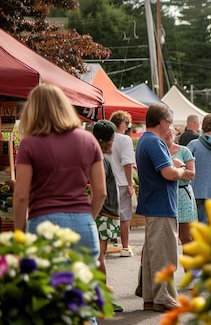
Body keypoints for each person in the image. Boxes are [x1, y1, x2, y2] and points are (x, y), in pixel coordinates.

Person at [13, 83, 106, 262]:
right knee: (80, 286)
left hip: (44, 222)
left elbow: (21, 195)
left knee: (49, 287)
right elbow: (101, 192)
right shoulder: (88, 140)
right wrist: (86, 217)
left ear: (33, 110)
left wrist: (19, 234)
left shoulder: (30, 143)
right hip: (83, 224)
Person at [135, 103, 194, 312]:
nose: (170, 126)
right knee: (164, 254)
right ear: (162, 121)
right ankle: (164, 298)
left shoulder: (145, 140)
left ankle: (152, 297)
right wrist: (180, 169)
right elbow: (168, 173)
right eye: (169, 121)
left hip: (153, 203)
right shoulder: (155, 142)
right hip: (162, 204)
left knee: (153, 254)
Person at [91, 120, 124, 313]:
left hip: (104, 212)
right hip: (103, 212)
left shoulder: (98, 155)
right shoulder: (100, 158)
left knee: (98, 257)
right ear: (102, 140)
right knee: (99, 258)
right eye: (111, 139)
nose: (113, 142)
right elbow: (99, 188)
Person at [109, 110, 136, 257]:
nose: (127, 127)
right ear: (122, 123)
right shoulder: (125, 140)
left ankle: (104, 245)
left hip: (107, 182)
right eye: (127, 124)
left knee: (107, 215)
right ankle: (125, 247)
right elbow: (127, 163)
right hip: (121, 182)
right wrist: (130, 184)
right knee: (125, 216)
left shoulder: (106, 138)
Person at [164, 126, 197, 244]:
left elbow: (191, 174)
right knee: (165, 236)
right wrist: (177, 170)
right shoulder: (158, 151)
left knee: (186, 237)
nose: (167, 134)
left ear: (174, 133)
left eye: (170, 131)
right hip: (165, 194)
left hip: (183, 194)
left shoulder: (184, 151)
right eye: (164, 131)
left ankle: (188, 262)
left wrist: (176, 169)